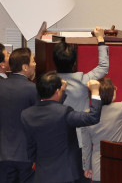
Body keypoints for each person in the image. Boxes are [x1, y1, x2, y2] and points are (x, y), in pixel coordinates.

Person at [21, 71, 102, 183]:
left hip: (42, 174)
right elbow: (93, 117)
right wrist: (95, 91)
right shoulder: (64, 113)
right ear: (57, 91)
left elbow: (31, 146)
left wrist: (61, 90)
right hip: (65, 175)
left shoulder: (26, 115)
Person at [53, 26, 109, 182]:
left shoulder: (49, 82)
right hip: (79, 140)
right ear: (74, 62)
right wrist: (100, 39)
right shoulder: (83, 80)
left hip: (55, 138)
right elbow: (103, 67)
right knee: (81, 176)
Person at [0, 48, 37, 183]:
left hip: (2, 155)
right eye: (33, 61)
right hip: (25, 156)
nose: (35, 64)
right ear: (25, 67)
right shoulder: (33, 90)